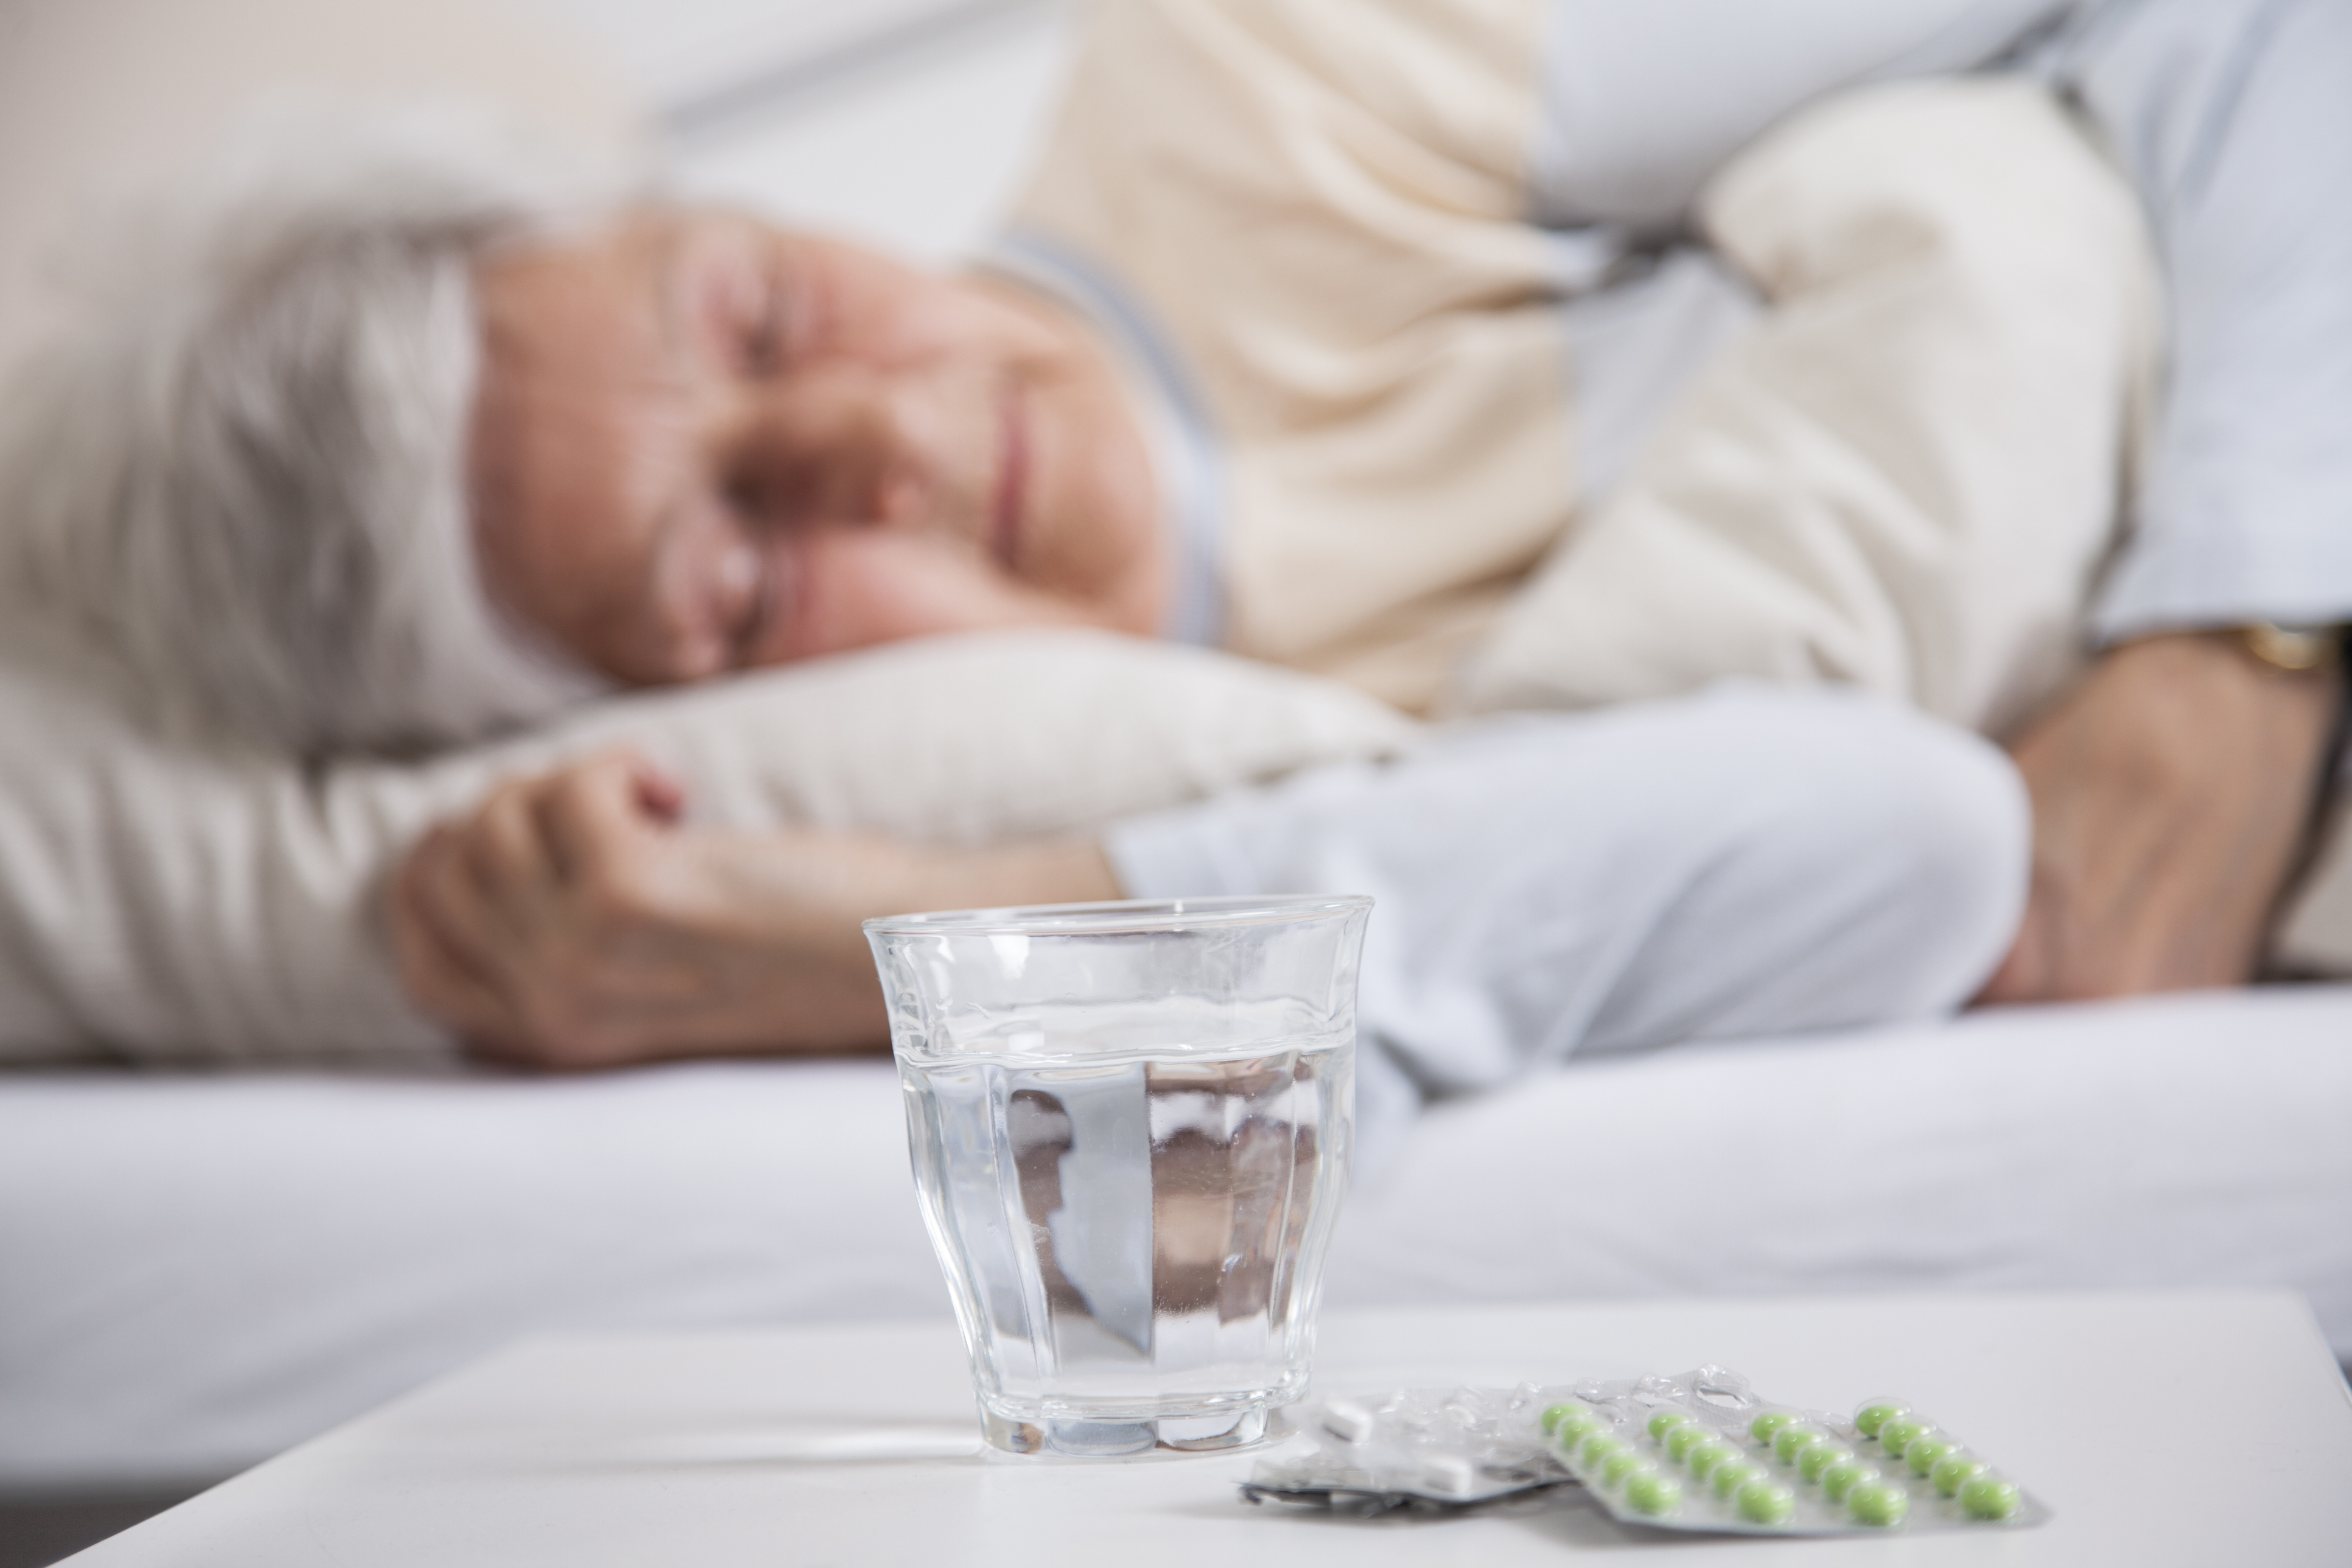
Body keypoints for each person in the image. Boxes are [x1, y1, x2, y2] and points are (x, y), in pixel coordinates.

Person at [9, 2, 2349, 1093]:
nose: (870, 435)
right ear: (705, 722)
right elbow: (1884, 834)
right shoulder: (1186, 785)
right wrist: (917, 952)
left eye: (749, 312)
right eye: (733, 574)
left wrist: (2238, 630)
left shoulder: (1285, 73)